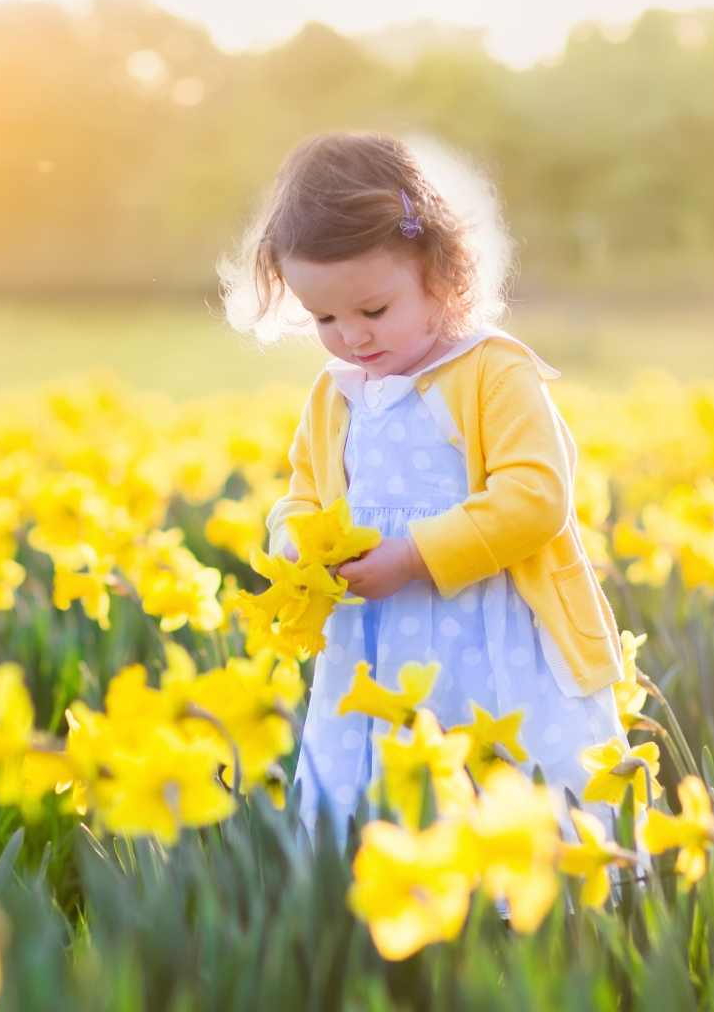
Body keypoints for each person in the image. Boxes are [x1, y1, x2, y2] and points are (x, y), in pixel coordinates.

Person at [220, 130, 630, 847]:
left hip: (494, 634)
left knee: (501, 795)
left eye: (373, 311)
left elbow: (535, 499)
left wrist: (414, 557)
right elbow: (303, 495)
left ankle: (526, 927)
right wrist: (293, 545)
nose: (351, 337)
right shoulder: (337, 392)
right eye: (324, 318)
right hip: (369, 649)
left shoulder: (493, 372)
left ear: (442, 274)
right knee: (379, 799)